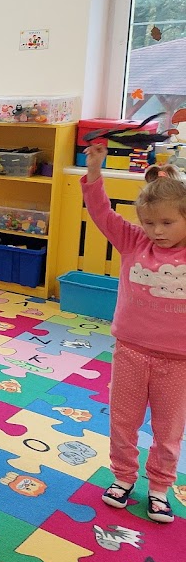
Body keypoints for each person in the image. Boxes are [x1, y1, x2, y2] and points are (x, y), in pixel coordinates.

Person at [82, 144, 186, 524]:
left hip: (178, 361)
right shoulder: (134, 241)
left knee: (168, 430)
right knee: (123, 422)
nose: (157, 231)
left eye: (167, 223)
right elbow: (101, 213)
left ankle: (159, 488)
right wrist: (95, 173)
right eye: (149, 222)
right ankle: (123, 477)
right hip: (131, 352)